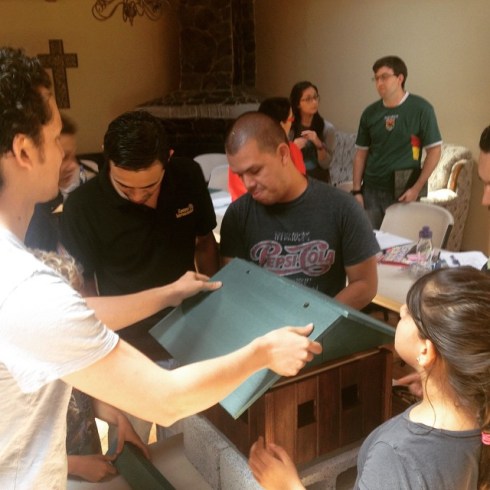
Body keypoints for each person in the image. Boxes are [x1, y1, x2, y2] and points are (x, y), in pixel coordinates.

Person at [0, 46, 322, 488]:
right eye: (56, 138)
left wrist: (109, 403)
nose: (62, 156)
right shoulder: (25, 288)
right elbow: (165, 401)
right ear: (23, 150)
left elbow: (70, 323)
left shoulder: (22, 281)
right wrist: (263, 352)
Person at [249, 267, 490, 490]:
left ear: (426, 352)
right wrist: (433, 384)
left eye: (409, 313)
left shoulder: (396, 457)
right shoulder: (479, 414)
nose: (401, 311)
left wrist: (289, 486)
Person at [60, 110, 220, 359]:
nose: (136, 197)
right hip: (128, 339)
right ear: (107, 158)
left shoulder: (187, 176)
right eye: (124, 186)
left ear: (168, 157)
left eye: (149, 186)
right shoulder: (83, 206)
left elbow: (205, 242)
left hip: (191, 324)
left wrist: (213, 303)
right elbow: (84, 287)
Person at [220, 112, 379, 310]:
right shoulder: (237, 216)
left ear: (283, 154)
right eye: (240, 175)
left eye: (255, 171)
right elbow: (234, 285)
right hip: (262, 323)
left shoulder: (342, 207)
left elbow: (365, 284)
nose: (248, 184)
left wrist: (315, 318)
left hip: (322, 325)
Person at [31, 249, 148, 483]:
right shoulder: (14, 373)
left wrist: (118, 418)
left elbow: (79, 400)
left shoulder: (65, 348)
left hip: (88, 468)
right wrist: (75, 466)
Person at [352, 56, 442, 229]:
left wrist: (416, 188)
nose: (379, 83)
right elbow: (361, 154)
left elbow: (435, 151)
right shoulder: (369, 113)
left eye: (384, 77)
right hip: (371, 190)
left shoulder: (421, 109)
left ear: (400, 78)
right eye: (376, 78)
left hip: (404, 191)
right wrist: (357, 190)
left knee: (402, 240)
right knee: (371, 240)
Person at [25, 113, 98, 252]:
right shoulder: (27, 213)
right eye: (63, 157)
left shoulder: (89, 180)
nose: (73, 165)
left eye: (73, 155)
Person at [228, 97, 306, 201]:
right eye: (291, 119)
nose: (248, 183)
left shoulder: (293, 149)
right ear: (281, 125)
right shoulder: (242, 155)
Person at [289, 81, 335, 183]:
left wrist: (319, 144)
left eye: (315, 97)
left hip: (320, 182)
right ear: (297, 104)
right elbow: (280, 161)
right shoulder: (289, 127)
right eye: (308, 99)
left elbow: (326, 164)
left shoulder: (327, 129)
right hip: (295, 182)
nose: (314, 102)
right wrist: (293, 148)